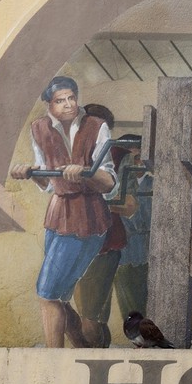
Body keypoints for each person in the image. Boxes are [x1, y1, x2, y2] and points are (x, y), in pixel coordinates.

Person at [9, 76, 118, 349]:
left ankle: (53, 358)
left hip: (88, 218)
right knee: (56, 295)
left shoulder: (97, 127)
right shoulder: (39, 128)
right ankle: (81, 346)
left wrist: (84, 174)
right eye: (61, 100)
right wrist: (30, 173)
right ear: (49, 104)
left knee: (47, 295)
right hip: (57, 218)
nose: (69, 105)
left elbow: (110, 184)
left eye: (72, 98)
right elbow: (47, 184)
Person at [69, 103, 145, 348]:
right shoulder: (67, 154)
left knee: (93, 320)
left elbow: (130, 206)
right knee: (81, 319)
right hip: (73, 243)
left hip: (105, 245)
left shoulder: (119, 157)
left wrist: (97, 204)